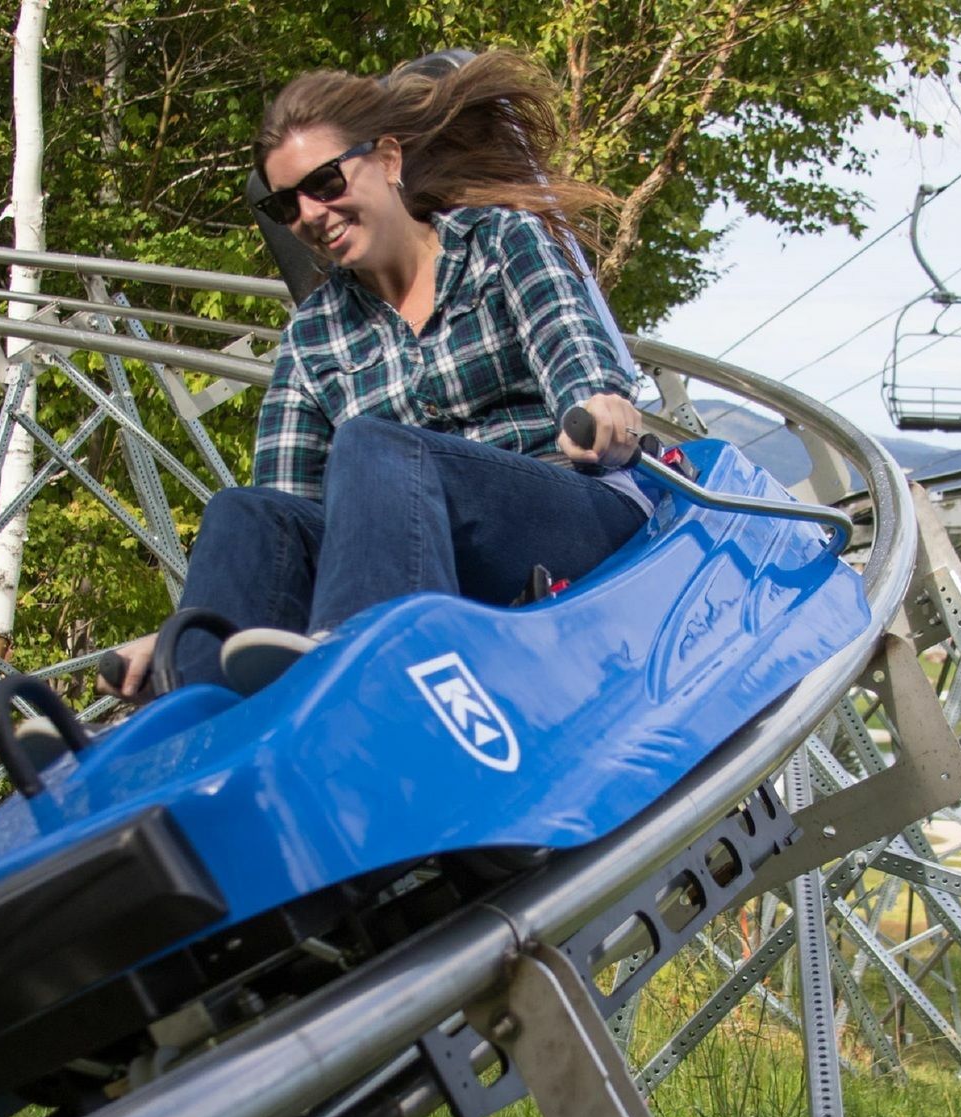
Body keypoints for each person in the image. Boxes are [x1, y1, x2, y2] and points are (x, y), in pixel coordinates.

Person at [104, 50, 651, 700]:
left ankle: (356, 682)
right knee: (243, 511)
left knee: (375, 445)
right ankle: (190, 713)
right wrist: (198, 628)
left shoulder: (501, 244)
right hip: (428, 570)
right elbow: (291, 521)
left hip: (568, 511)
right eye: (287, 205)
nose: (310, 213)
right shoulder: (315, 336)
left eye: (326, 182)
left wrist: (597, 405)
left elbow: (571, 347)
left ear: (388, 160)